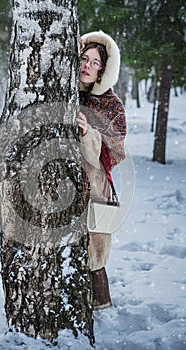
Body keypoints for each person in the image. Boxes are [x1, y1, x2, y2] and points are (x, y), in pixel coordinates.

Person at [76, 30, 127, 310]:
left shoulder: (111, 105)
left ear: (103, 71)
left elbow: (113, 152)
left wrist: (89, 134)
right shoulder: (65, 93)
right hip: (65, 186)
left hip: (97, 186)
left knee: (96, 251)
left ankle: (100, 306)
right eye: (84, 59)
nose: (87, 65)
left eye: (94, 62)